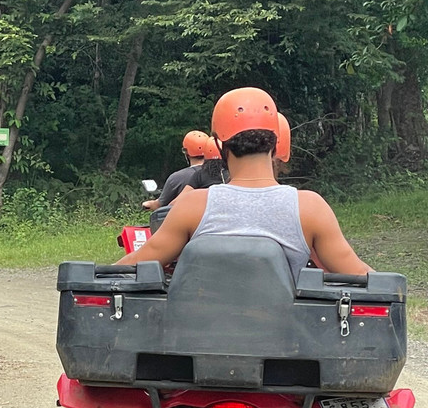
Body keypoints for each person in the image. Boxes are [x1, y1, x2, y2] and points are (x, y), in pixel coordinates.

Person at [118, 87, 370, 279]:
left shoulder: (192, 205)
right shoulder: (310, 207)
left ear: (217, 145)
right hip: (283, 342)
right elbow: (360, 274)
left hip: (201, 341)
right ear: (276, 142)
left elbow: (139, 261)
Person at [143, 130, 211, 211]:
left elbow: (159, 205)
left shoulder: (177, 178)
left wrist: (147, 204)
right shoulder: (223, 174)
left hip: (186, 222)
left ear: (186, 153)